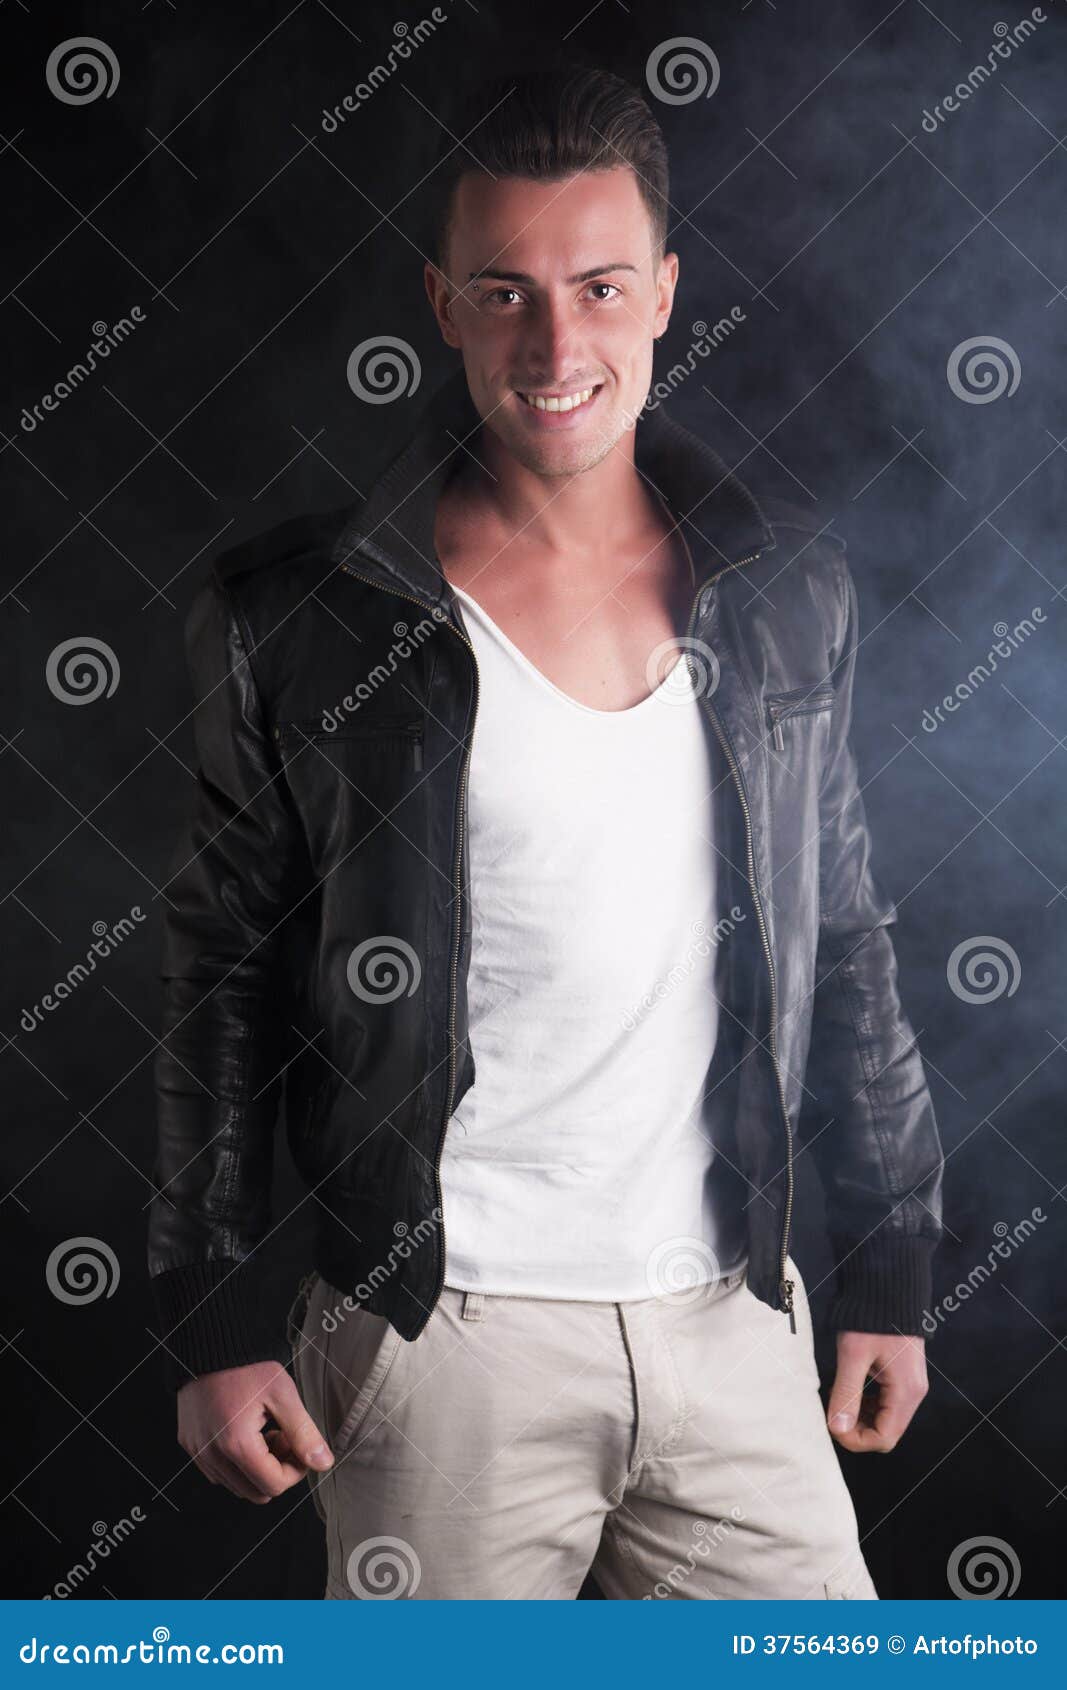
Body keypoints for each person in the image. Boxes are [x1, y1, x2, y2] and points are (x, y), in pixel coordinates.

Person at [148, 63, 944, 1600]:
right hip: (445, 1336)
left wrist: (894, 1257)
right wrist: (213, 1311)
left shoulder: (783, 589)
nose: (557, 346)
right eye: (507, 292)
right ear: (443, 306)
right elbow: (222, 967)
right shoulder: (309, 615)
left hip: (732, 1320)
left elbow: (843, 933)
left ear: (664, 295)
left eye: (598, 288)